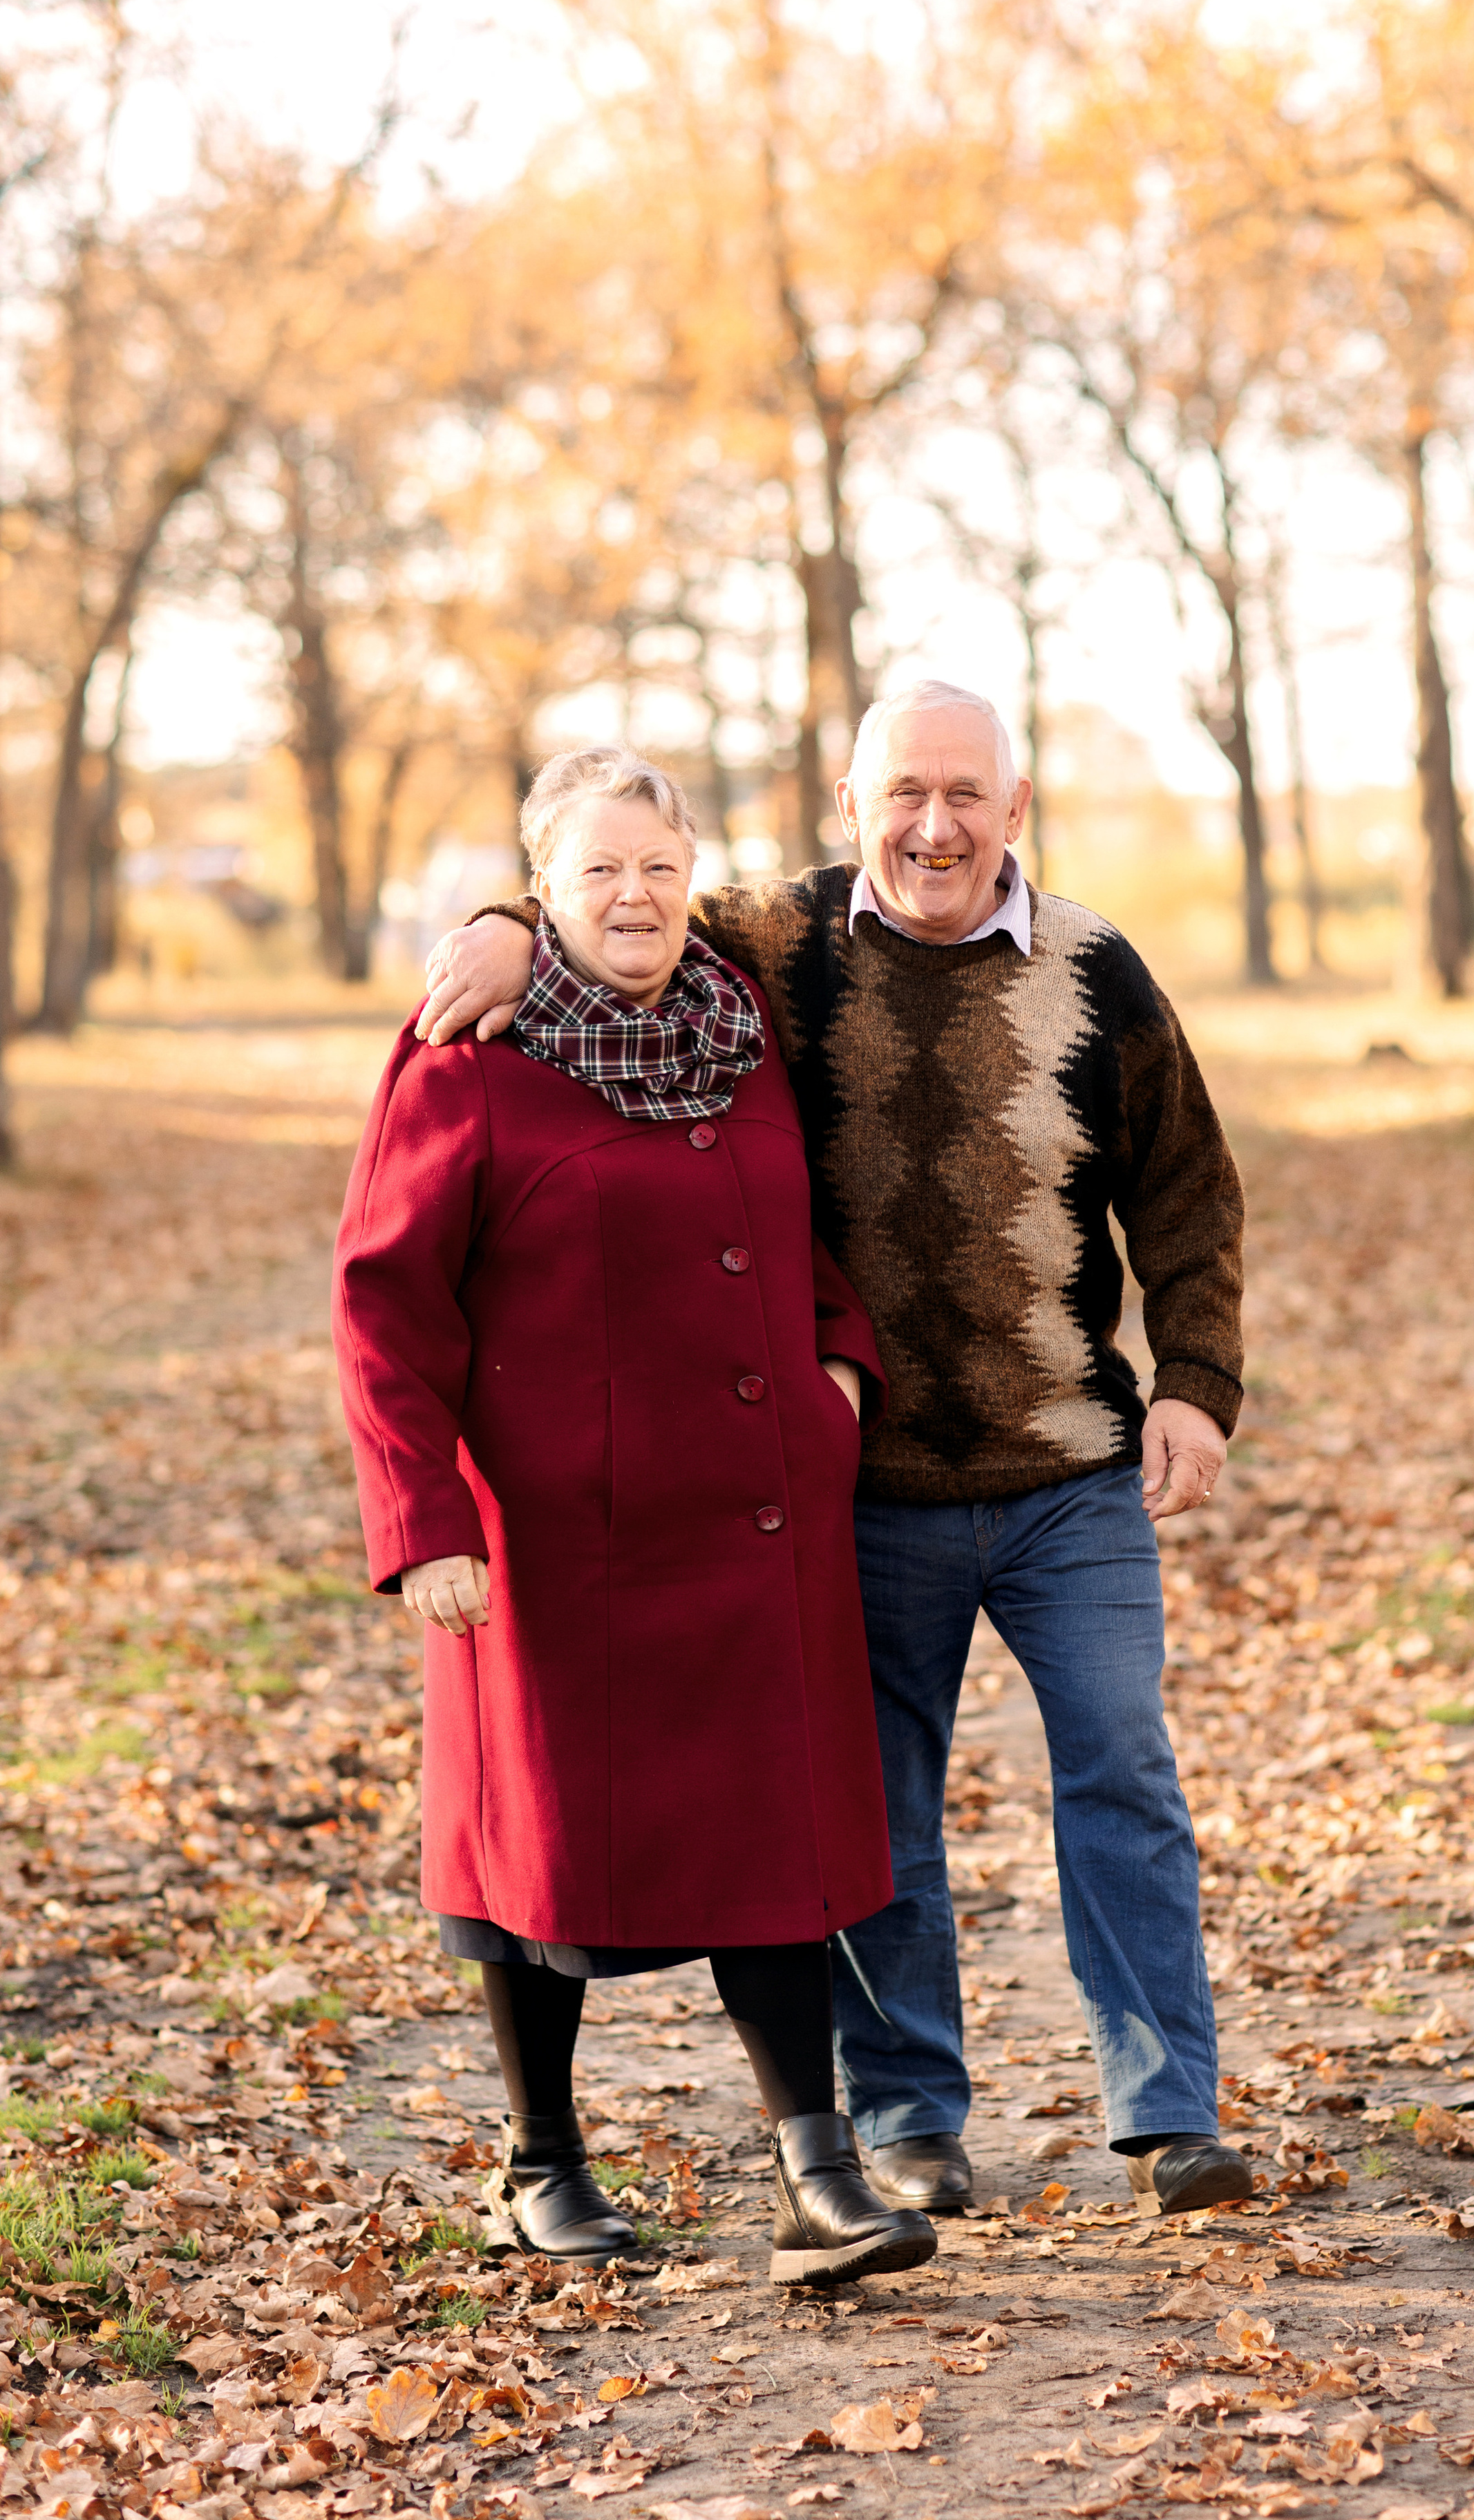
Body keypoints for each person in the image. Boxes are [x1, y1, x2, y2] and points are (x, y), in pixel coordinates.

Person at [418, 681, 1256, 2222]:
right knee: (879, 1814)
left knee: (1122, 1771)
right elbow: (615, 888)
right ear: (848, 804)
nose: (932, 828)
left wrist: (1194, 1384)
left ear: (1014, 810)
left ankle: (1167, 2115)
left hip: (1068, 1466)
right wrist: (498, 924)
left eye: (965, 796)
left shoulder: (1095, 969)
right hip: (862, 1492)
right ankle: (907, 2121)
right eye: (903, 794)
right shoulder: (777, 943)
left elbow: (1187, 1192)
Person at [332, 746, 938, 2288]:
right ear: (539, 893)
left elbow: (797, 1241)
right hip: (552, 1538)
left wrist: (838, 1370)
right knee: (538, 1855)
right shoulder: (464, 1054)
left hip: (751, 1525)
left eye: (660, 868)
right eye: (598, 870)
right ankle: (542, 2166)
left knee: (775, 1841)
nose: (635, 896)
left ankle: (816, 2170)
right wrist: (424, 1520)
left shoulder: (741, 1037)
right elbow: (382, 1303)